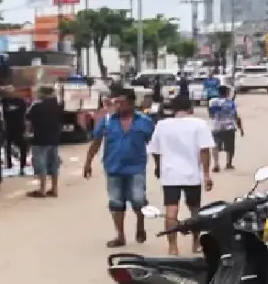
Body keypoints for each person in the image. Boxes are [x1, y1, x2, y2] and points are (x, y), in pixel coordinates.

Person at [84, 90, 157, 248]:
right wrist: (88, 162)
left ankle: (140, 224)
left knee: (138, 199)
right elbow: (96, 142)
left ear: (131, 103)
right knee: (116, 202)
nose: (117, 106)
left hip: (136, 167)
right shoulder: (108, 120)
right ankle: (120, 235)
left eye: (121, 102)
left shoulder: (144, 121)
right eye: (116, 102)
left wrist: (158, 164)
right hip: (113, 167)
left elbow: (155, 145)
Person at [148, 95, 217, 257]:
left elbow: (155, 151)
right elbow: (204, 150)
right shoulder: (199, 124)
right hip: (191, 174)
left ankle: (173, 247)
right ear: (190, 108)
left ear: (172, 109)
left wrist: (158, 167)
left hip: (170, 174)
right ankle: (196, 243)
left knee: (171, 210)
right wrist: (206, 174)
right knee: (195, 210)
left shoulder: (162, 125)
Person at [26, 85, 65, 198]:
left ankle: (42, 189)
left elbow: (28, 119)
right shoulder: (57, 106)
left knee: (41, 164)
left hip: (40, 138)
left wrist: (28, 133)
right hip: (54, 139)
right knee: (54, 164)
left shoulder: (37, 106)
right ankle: (54, 189)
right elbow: (60, 122)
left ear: (42, 93)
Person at [206, 82, 244, 174]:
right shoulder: (231, 103)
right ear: (227, 93)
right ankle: (228, 163)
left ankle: (216, 164)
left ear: (218, 92)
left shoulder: (212, 102)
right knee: (230, 146)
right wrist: (241, 128)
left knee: (215, 146)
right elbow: (236, 116)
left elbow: (211, 115)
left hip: (216, 127)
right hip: (229, 127)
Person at [2, 85, 31, 176]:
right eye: (7, 92)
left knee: (23, 147)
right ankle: (9, 165)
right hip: (9, 129)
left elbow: (25, 115)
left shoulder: (20, 101)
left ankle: (22, 167)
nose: (8, 94)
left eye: (10, 91)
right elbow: (2, 116)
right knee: (8, 148)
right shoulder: (4, 101)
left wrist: (26, 129)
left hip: (19, 128)